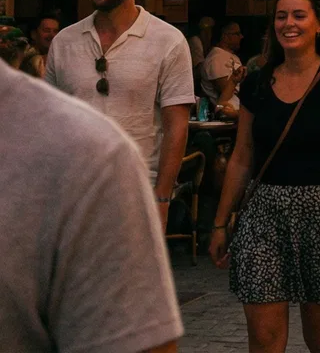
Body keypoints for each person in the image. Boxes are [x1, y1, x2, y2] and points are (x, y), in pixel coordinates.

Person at [208, 0, 320, 352]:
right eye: (281, 16)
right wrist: (220, 222)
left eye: (299, 15)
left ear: (319, 25)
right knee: (264, 341)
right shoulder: (258, 83)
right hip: (264, 213)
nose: (289, 24)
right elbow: (242, 156)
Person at [1, 63, 185, 352]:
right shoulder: (67, 43)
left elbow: (177, 123)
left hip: (115, 189)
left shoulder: (93, 154)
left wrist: (162, 198)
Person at [44, 0, 195, 224]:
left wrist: (162, 198)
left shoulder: (168, 41)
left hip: (136, 192)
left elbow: (177, 128)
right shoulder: (65, 41)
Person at [202, 19, 245, 104]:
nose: (241, 37)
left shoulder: (231, 56)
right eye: (237, 34)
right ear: (224, 36)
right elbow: (225, 92)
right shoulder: (216, 58)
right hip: (227, 113)